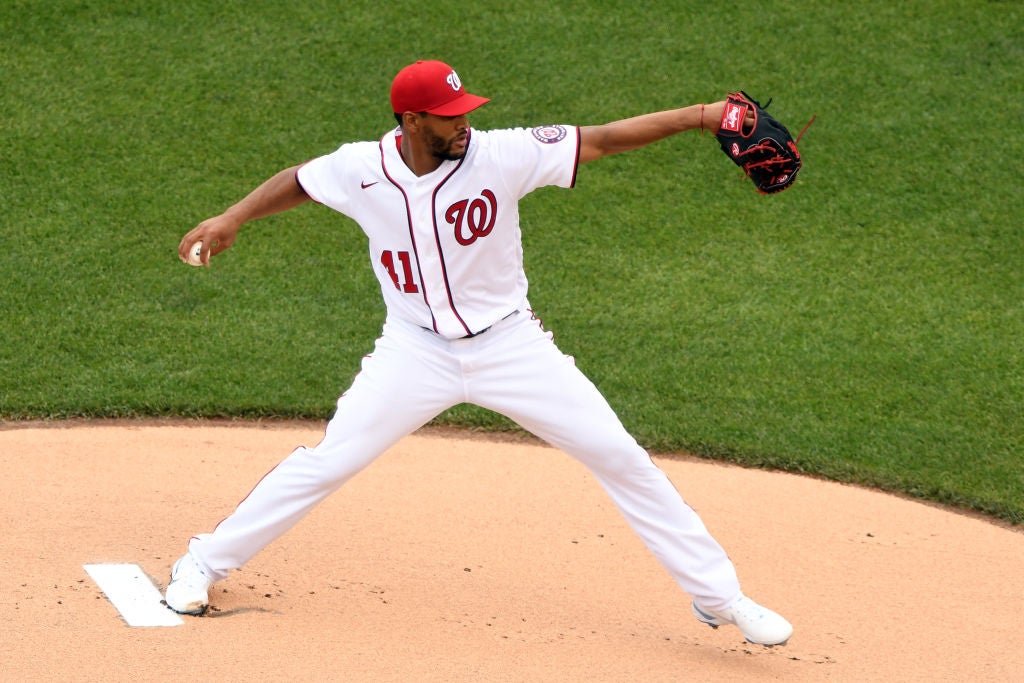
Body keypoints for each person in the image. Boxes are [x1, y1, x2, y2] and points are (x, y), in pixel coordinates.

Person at [165, 59, 793, 647]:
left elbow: (601, 139)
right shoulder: (360, 167)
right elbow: (300, 181)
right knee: (328, 462)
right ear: (413, 122)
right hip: (413, 352)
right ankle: (201, 562)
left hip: (511, 347)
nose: (464, 121)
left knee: (621, 458)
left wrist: (703, 115)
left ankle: (720, 597)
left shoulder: (501, 154)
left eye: (465, 109)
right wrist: (233, 218)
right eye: (450, 113)